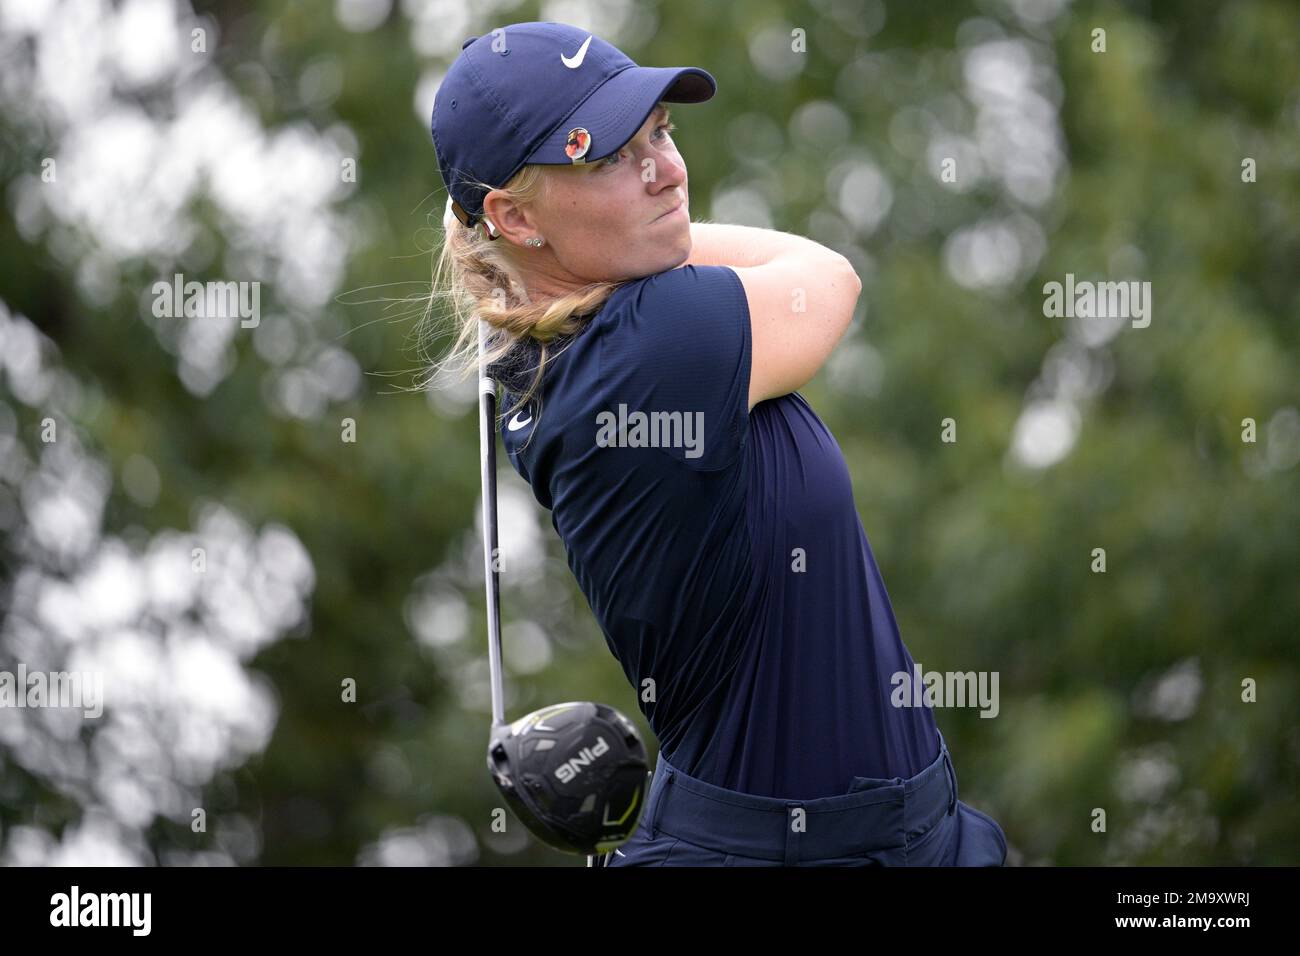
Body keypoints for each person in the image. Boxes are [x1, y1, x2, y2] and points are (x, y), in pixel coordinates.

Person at [426, 21, 1008, 866]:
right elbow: (827, 278)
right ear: (514, 216)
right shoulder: (650, 343)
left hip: (906, 835)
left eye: (659, 133)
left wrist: (627, 232)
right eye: (608, 157)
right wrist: (658, 242)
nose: (666, 170)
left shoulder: (574, 347)